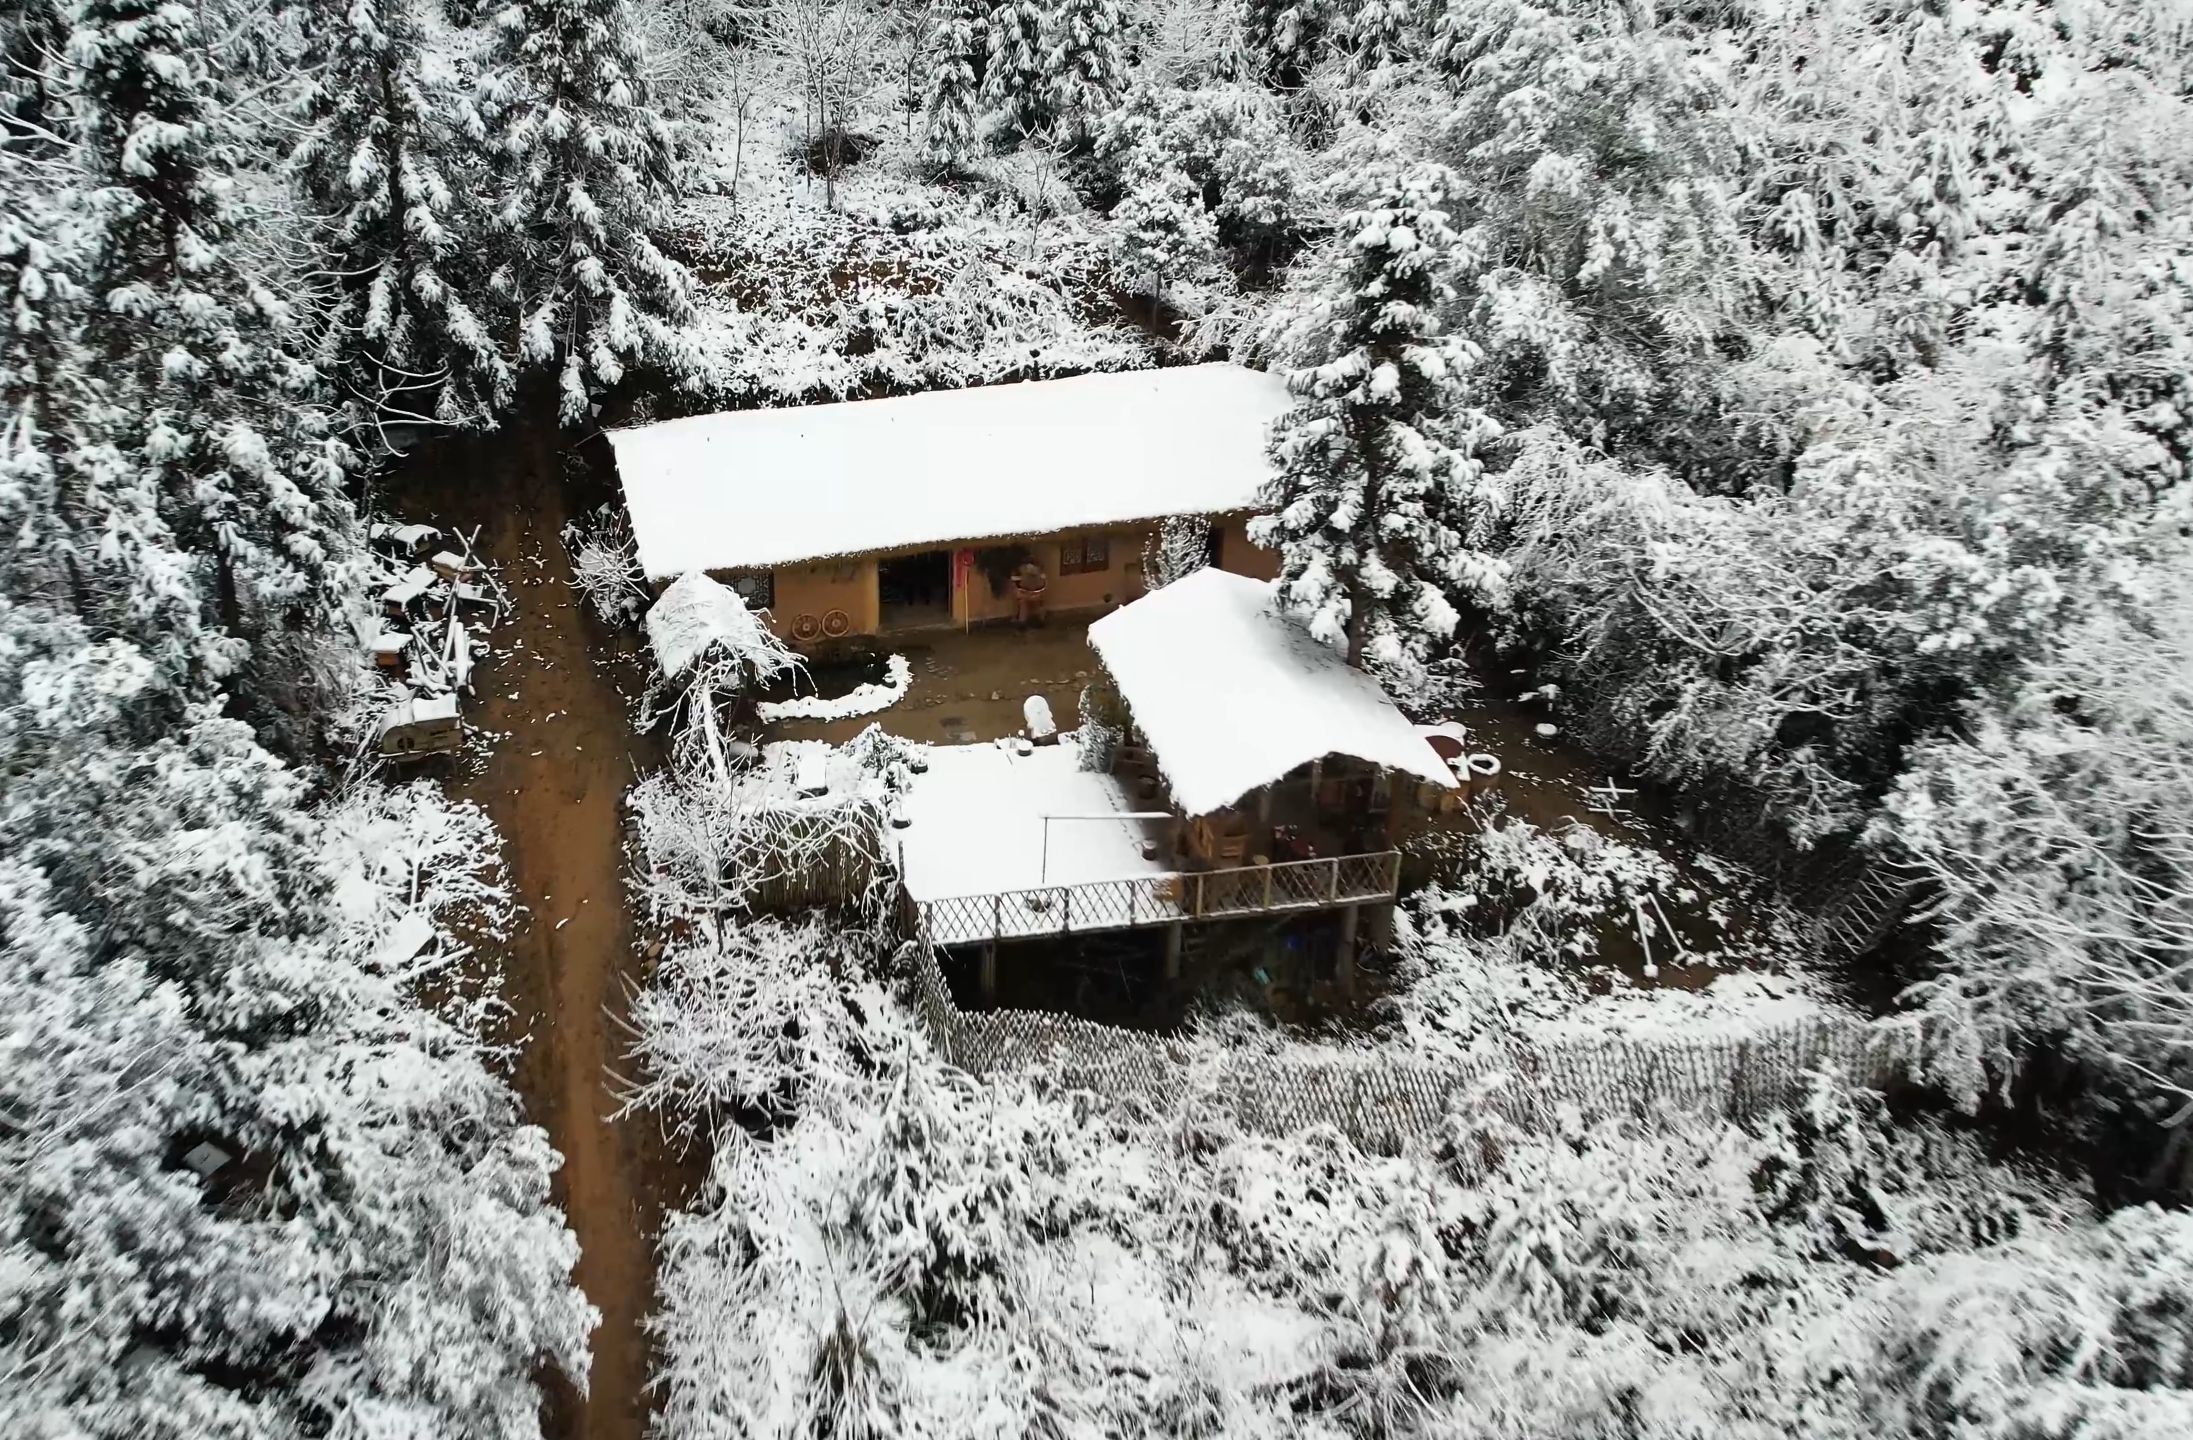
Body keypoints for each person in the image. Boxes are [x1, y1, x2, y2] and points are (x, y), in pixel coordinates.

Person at [1011, 559, 1048, 627]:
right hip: (1036, 593)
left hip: (1025, 593)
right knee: (1039, 605)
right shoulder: (1039, 572)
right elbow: (1043, 584)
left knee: (1023, 605)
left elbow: (1015, 582)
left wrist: (1022, 592)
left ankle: (1022, 623)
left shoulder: (1021, 570)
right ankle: (1040, 621)